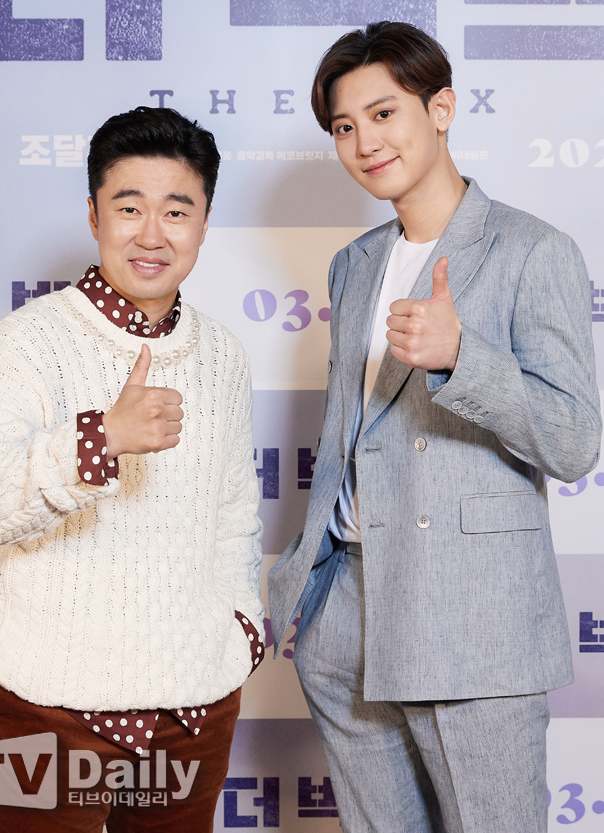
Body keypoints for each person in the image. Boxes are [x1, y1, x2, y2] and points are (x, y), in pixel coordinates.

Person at [268, 21, 601, 833]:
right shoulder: (353, 264)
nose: (364, 143)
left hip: (469, 621)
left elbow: (574, 441)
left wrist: (464, 358)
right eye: (344, 127)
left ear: (441, 108)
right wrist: (311, 606)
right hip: (345, 616)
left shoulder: (533, 250)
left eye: (384, 114)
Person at [0, 106, 264, 832]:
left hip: (192, 707)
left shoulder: (223, 355)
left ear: (204, 224)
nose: (152, 234)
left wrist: (240, 630)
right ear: (94, 215)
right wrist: (101, 438)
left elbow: (235, 514)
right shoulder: (29, 340)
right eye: (129, 207)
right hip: (47, 704)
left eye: (176, 211)